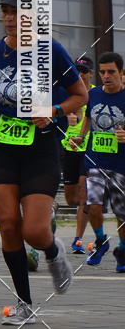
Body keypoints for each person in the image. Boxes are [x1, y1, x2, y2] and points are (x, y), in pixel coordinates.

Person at [0, 0, 87, 324]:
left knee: (34, 231)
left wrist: (54, 109)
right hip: (2, 147)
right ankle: (25, 303)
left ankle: (52, 250)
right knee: (8, 224)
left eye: (16, 13)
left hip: (40, 149)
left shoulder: (51, 51)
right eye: (5, 12)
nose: (9, 19)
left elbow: (79, 95)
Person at [69, 52, 125, 272]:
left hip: (121, 163)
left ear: (121, 72)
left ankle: (122, 250)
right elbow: (89, 119)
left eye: (111, 72)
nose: (106, 76)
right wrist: (81, 137)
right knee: (92, 205)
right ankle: (101, 241)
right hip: (95, 159)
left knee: (121, 212)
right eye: (102, 72)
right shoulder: (93, 94)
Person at [59, 55, 94, 254]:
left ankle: (77, 240)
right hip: (69, 148)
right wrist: (66, 117)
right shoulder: (66, 93)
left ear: (90, 73)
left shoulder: (96, 93)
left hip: (89, 149)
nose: (80, 74)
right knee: (71, 198)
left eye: (84, 71)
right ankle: (51, 212)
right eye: (77, 71)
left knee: (84, 193)